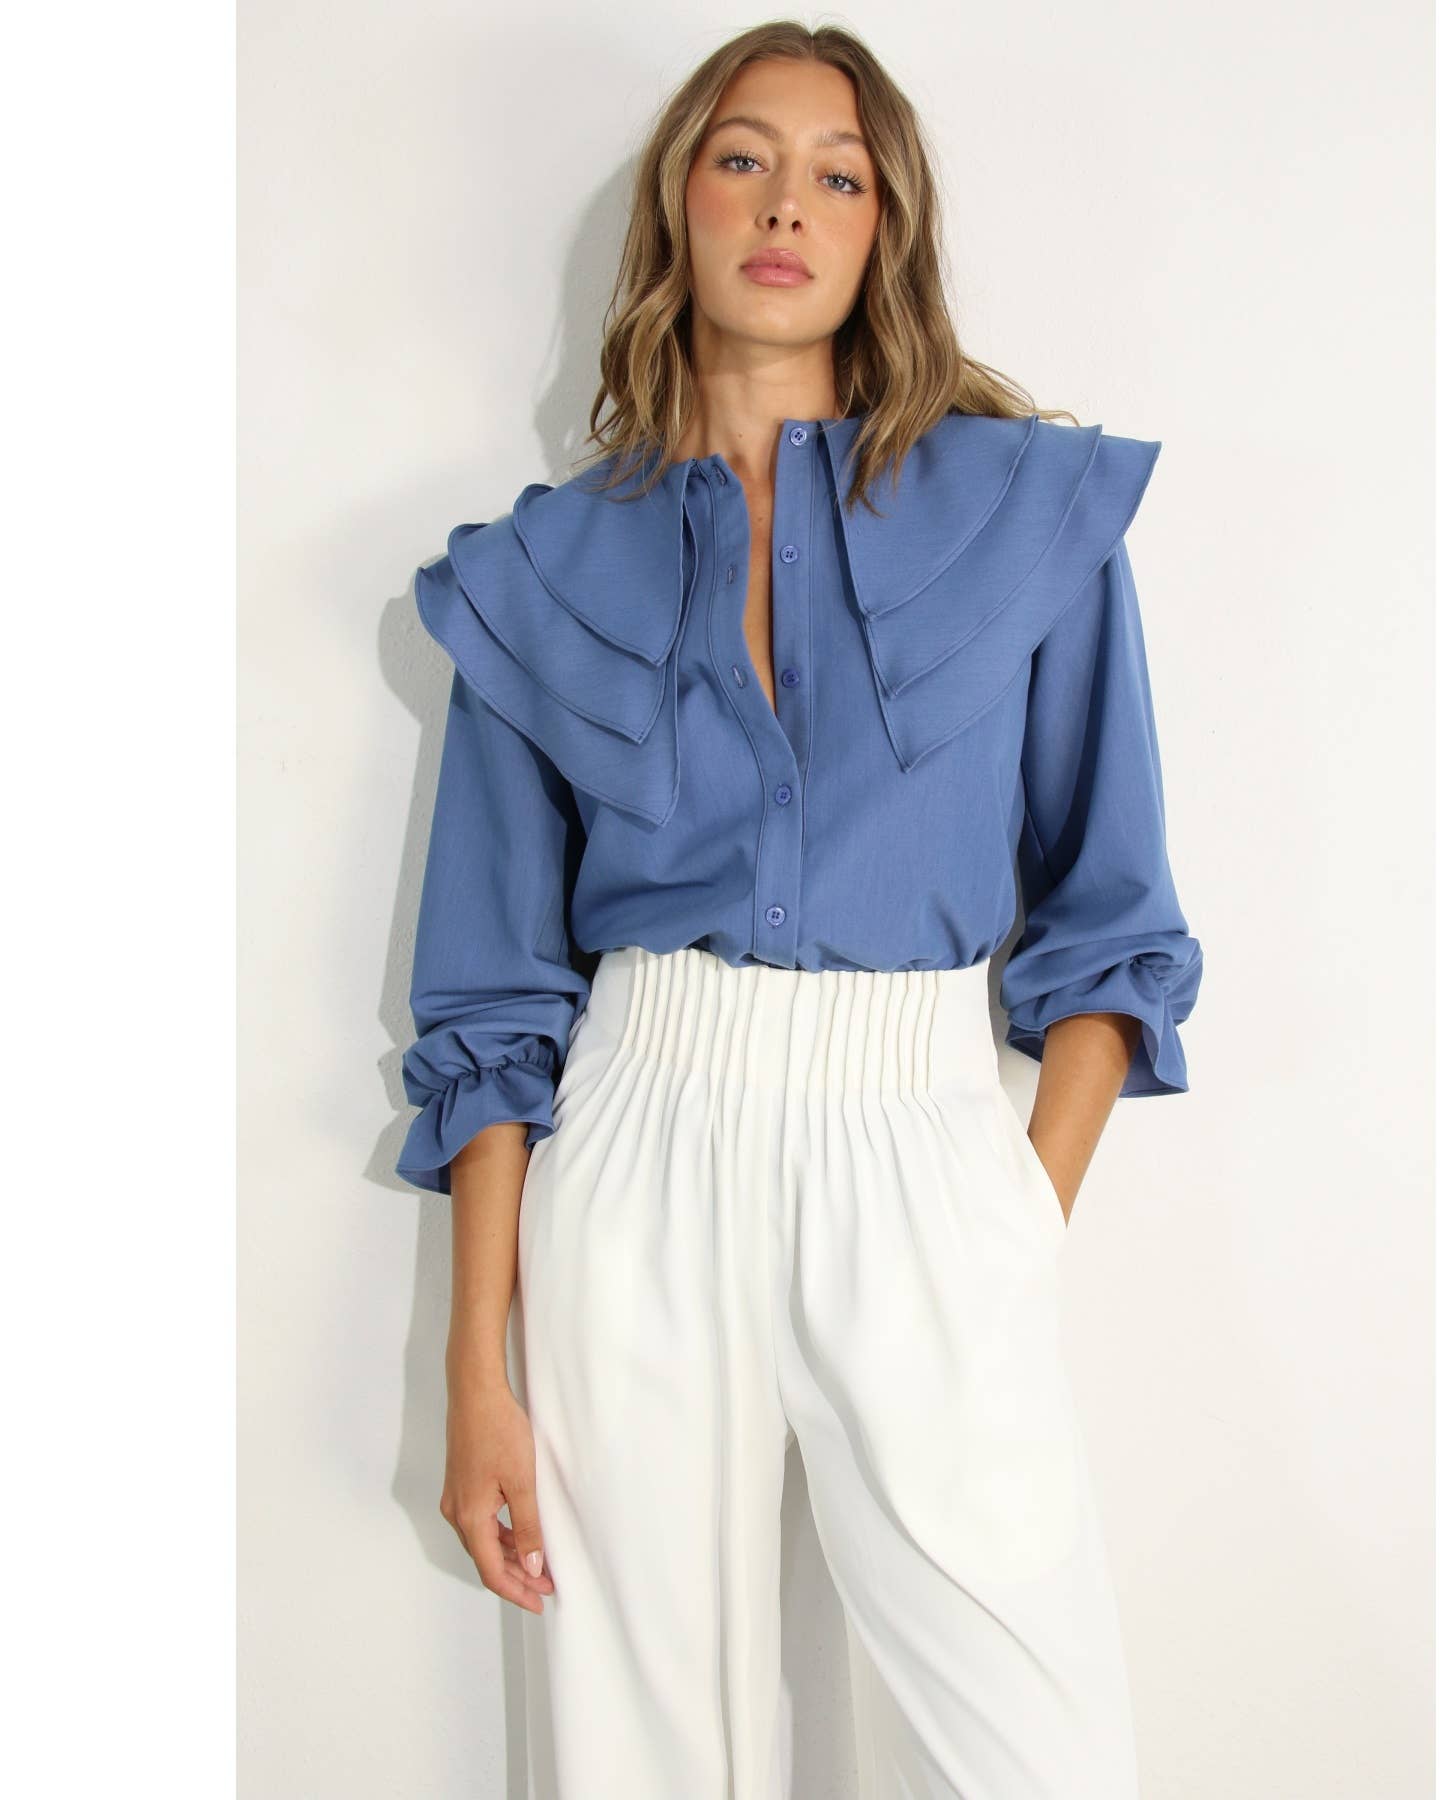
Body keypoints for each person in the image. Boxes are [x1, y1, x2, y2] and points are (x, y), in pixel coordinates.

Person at [394, 20, 1203, 1797]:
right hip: (637, 1146)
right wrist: (476, 1375)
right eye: (743, 158)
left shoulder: (1024, 517)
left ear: (884, 226)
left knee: (1044, 1752)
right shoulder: (546, 574)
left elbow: (1113, 913)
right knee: (640, 1753)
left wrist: (1017, 1218)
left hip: (925, 1149)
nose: (787, 205)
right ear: (677, 204)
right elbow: (493, 1000)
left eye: (839, 175)